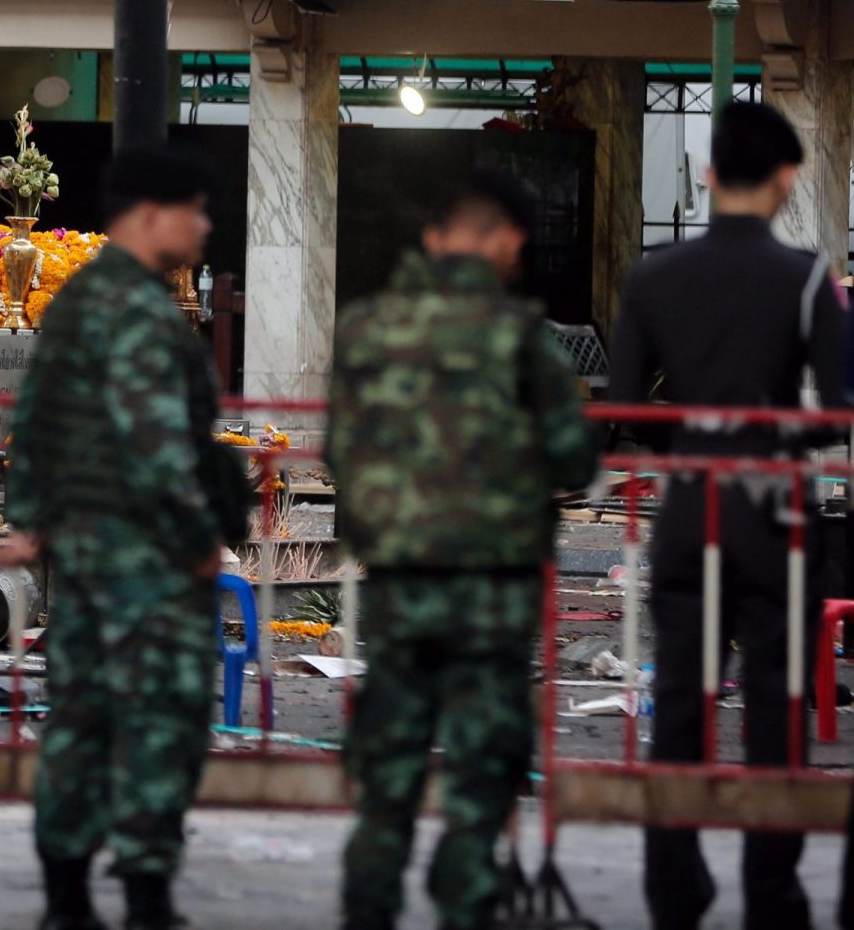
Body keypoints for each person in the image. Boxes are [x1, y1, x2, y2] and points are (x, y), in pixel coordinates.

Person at [329, 168, 598, 930]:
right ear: (509, 241)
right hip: (493, 595)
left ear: (434, 237)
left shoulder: (365, 328)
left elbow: (340, 453)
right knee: (480, 783)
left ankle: (368, 909)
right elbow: (576, 459)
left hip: (399, 586)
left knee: (388, 776)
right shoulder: (520, 341)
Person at [609, 100, 847, 930]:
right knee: (776, 704)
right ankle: (773, 895)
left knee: (681, 697)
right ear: (787, 180)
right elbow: (840, 409)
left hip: (687, 514)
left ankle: (674, 887)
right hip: (776, 517)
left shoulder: (652, 277)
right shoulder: (810, 277)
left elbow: (625, 406)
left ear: (708, 177)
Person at [0, 146, 250, 930]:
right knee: (159, 721)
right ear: (151, 214)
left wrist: (33, 519)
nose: (205, 227)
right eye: (195, 210)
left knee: (81, 720)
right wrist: (200, 534)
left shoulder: (78, 301)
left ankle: (65, 895)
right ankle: (146, 891)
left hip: (86, 549)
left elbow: (32, 420)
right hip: (148, 556)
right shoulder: (139, 312)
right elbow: (158, 447)